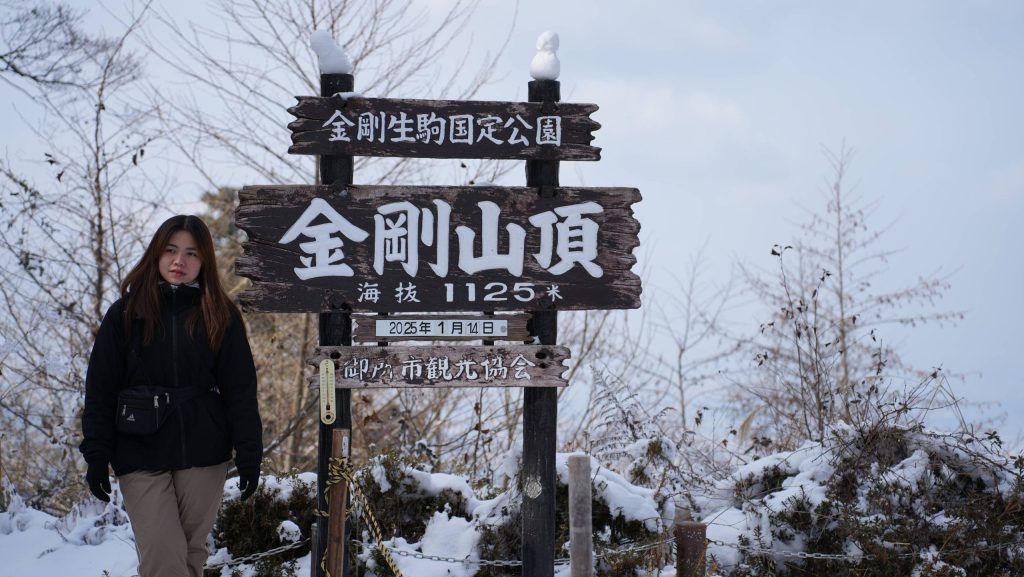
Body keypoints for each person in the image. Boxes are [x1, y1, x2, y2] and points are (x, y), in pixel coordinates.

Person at [80, 215, 263, 577]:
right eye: (171, 250)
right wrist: (97, 455)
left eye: (191, 253)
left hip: (204, 451)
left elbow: (240, 390)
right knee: (163, 555)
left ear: (204, 261)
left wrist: (249, 453)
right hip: (139, 449)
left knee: (191, 555)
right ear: (156, 255)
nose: (180, 261)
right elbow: (100, 389)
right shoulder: (126, 314)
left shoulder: (219, 315)